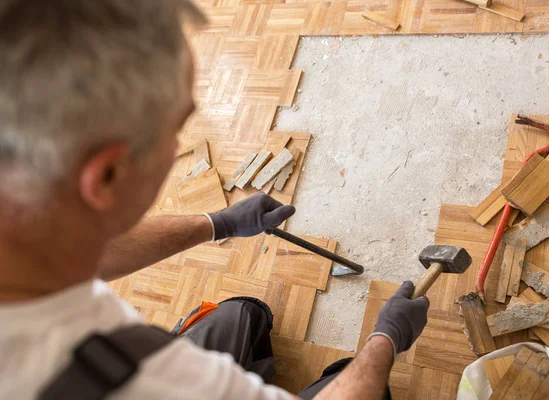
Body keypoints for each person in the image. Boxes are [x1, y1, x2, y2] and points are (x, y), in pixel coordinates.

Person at [0, 1, 430, 399]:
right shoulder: (147, 380)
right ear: (107, 175)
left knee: (244, 314)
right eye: (176, 127)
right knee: (356, 377)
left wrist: (217, 223)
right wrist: (384, 342)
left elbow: (98, 251)